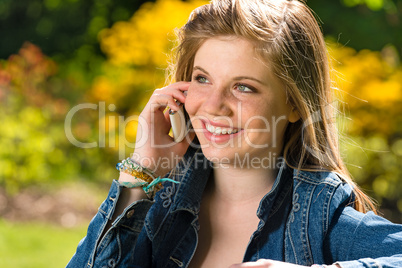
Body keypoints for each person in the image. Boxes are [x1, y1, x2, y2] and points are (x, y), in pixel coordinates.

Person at [67, 0, 402, 267]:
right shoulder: (156, 204)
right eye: (202, 79)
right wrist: (141, 170)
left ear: (295, 105)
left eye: (243, 87)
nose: (214, 106)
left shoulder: (319, 217)